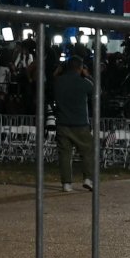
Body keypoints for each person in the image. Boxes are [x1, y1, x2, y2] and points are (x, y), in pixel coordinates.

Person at [53, 55, 94, 192]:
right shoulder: (84, 83)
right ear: (80, 68)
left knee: (65, 154)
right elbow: (96, 91)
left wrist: (58, 72)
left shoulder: (58, 81)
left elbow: (47, 86)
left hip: (63, 122)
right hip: (80, 123)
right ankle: (88, 178)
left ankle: (66, 183)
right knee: (87, 151)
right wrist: (87, 75)